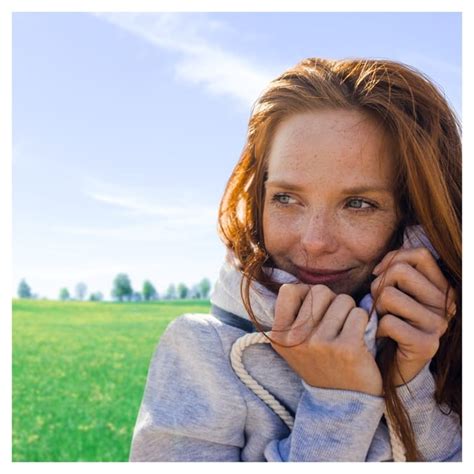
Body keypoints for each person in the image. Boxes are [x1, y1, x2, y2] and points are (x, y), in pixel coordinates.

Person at [129, 58, 461, 462]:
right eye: (286, 198)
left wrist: (410, 382)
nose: (315, 241)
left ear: (417, 224)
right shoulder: (201, 354)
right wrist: (338, 404)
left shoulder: (450, 343)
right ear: (258, 200)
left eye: (359, 204)